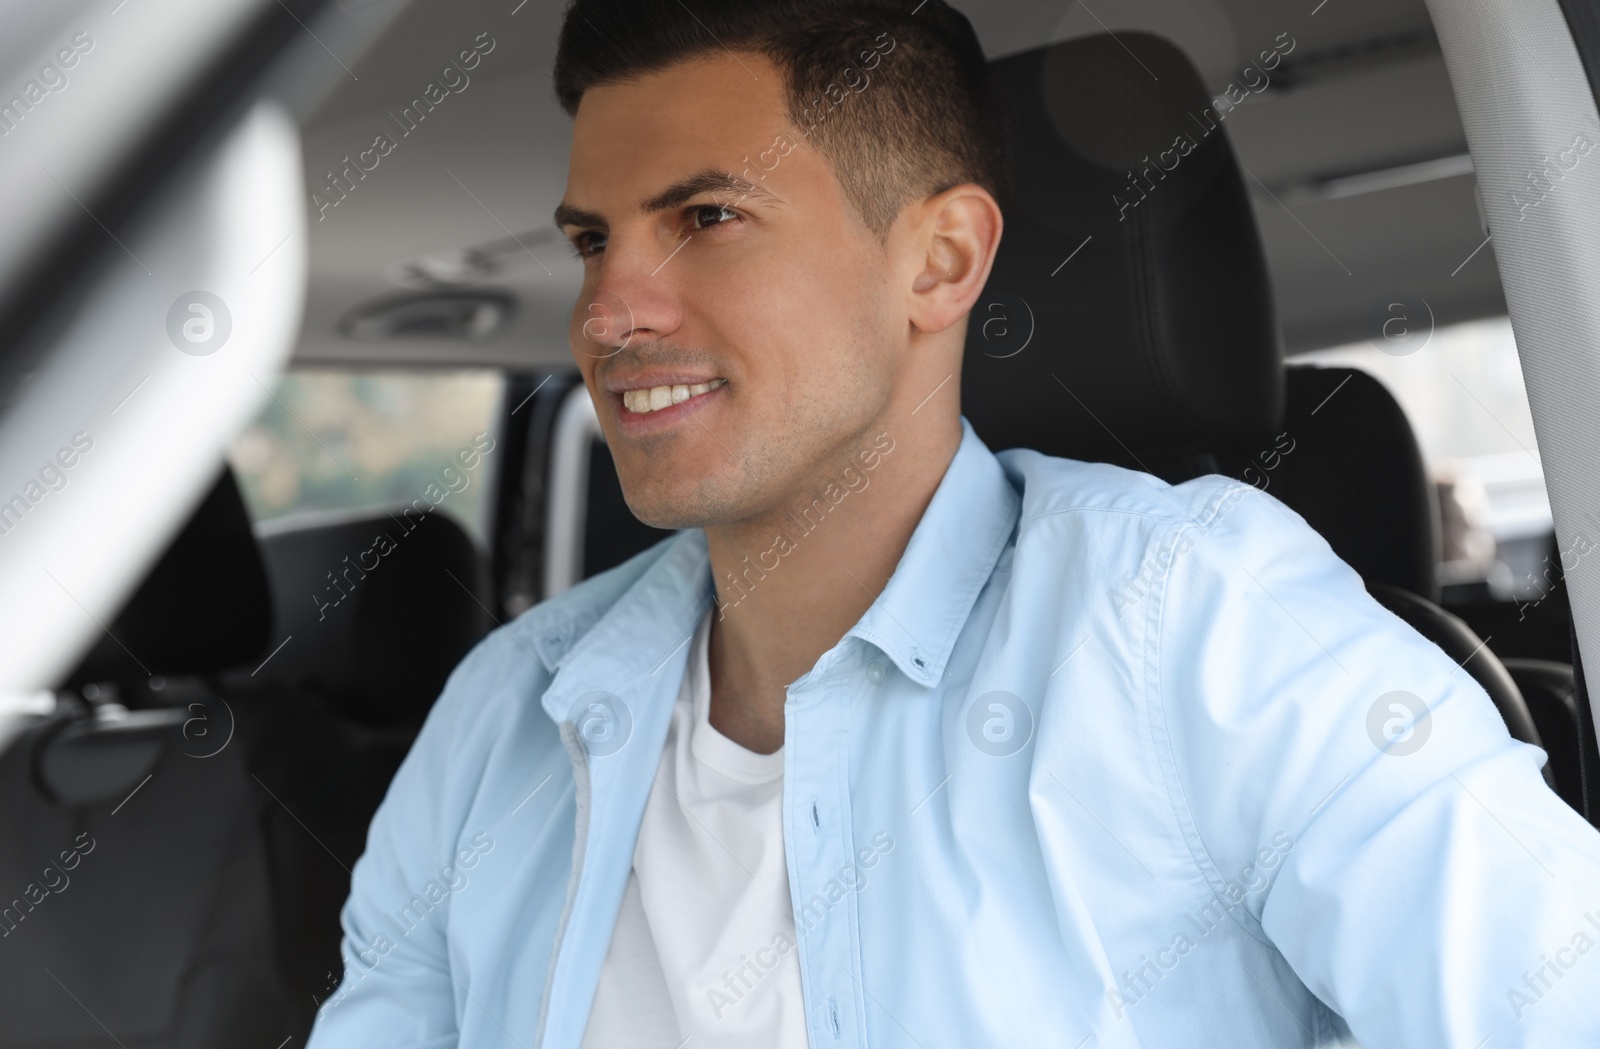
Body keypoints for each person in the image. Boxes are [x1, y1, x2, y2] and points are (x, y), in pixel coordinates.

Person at [306, 1, 1600, 1046]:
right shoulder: (503, 716)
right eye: (593, 240)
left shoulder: (1202, 629)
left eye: (705, 219)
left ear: (939, 263)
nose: (608, 311)